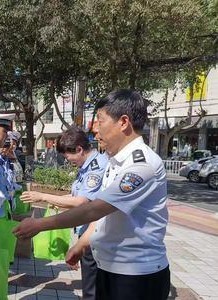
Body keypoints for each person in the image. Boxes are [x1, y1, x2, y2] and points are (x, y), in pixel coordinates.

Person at [13, 89, 170, 300]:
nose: (95, 130)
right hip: (111, 267)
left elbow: (94, 209)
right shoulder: (115, 162)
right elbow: (103, 212)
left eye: (100, 120)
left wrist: (40, 224)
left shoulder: (141, 165)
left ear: (123, 122)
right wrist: (82, 243)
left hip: (136, 274)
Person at [20, 126, 108, 300]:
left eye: (67, 155)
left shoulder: (96, 167)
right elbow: (76, 196)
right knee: (91, 287)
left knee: (92, 291)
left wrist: (43, 195)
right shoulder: (87, 166)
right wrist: (49, 200)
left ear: (79, 149)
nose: (67, 159)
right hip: (89, 234)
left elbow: (82, 201)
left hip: (95, 237)